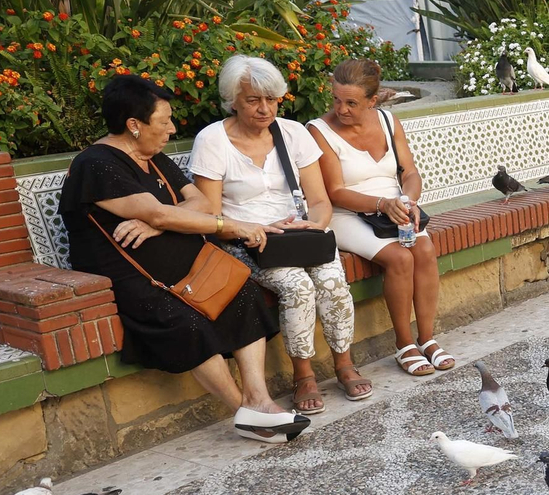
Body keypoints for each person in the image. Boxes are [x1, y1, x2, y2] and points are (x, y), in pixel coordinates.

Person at [58, 76, 309, 443]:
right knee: (187, 324)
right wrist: (229, 225)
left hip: (189, 266)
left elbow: (199, 203)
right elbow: (167, 213)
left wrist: (159, 222)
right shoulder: (96, 164)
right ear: (133, 125)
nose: (171, 129)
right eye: (164, 121)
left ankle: (260, 400)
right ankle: (244, 411)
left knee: (244, 294)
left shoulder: (153, 158)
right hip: (134, 280)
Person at [190, 55, 370, 415]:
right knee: (298, 287)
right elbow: (210, 215)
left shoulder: (292, 133)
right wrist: (248, 229)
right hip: (249, 242)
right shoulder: (212, 141)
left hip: (300, 235)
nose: (264, 108)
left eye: (271, 99)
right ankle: (303, 375)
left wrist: (314, 224)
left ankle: (344, 363)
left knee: (333, 281)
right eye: (253, 100)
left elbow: (319, 201)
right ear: (232, 101)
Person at [309, 58, 456, 377]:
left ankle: (427, 339)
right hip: (346, 212)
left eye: (351, 103)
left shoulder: (389, 122)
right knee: (400, 259)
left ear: (372, 101)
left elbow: (410, 172)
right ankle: (404, 345)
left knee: (426, 251)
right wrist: (381, 203)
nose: (341, 109)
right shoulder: (319, 130)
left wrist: (409, 201)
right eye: (336, 99)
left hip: (393, 207)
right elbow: (334, 191)